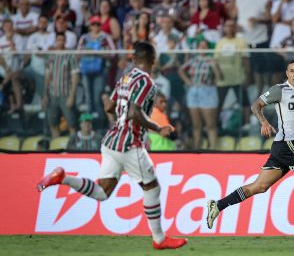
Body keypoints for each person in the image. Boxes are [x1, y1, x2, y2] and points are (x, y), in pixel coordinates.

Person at [37, 42, 188, 250]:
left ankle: (64, 177)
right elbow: (135, 113)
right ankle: (159, 238)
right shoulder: (147, 83)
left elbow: (109, 106)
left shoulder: (125, 77)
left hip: (111, 141)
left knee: (102, 192)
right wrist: (157, 128)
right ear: (153, 60)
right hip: (129, 144)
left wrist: (123, 116)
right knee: (152, 188)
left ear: (134, 59)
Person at [206, 58, 294, 236]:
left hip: (282, 147)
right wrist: (264, 122)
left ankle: (218, 205)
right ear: (286, 73)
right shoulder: (280, 90)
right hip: (288, 143)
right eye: (291, 71)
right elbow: (255, 105)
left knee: (260, 186)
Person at [43, 32, 79, 138]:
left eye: (62, 40)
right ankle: (56, 147)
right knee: (53, 123)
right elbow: (47, 76)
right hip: (52, 94)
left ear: (65, 41)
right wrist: (45, 94)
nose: (60, 42)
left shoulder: (70, 56)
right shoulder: (51, 56)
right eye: (58, 40)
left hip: (66, 94)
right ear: (55, 41)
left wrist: (72, 96)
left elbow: (75, 77)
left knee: (71, 123)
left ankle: (72, 147)